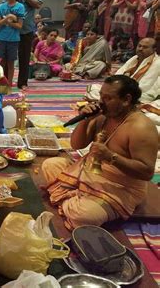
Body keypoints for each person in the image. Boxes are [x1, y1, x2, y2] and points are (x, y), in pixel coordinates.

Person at [42, 75, 158, 230]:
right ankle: (75, 198)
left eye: (108, 98)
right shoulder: (104, 116)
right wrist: (86, 120)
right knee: (50, 165)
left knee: (84, 216)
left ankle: (73, 200)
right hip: (88, 172)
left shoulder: (141, 127)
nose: (101, 102)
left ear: (126, 99)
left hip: (119, 187)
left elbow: (146, 172)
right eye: (101, 96)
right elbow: (77, 144)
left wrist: (111, 157)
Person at [14, 0, 43, 90]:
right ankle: (6, 81)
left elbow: (38, 4)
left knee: (24, 56)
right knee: (7, 56)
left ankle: (22, 82)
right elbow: (6, 3)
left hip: (27, 28)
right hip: (12, 28)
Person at [0, 0, 25, 87]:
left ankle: (9, 84)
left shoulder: (20, 7)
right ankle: (0, 83)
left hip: (13, 40)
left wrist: (10, 22)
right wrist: (7, 19)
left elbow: (20, 26)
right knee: (1, 62)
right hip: (1, 39)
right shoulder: (1, 7)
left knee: (11, 63)